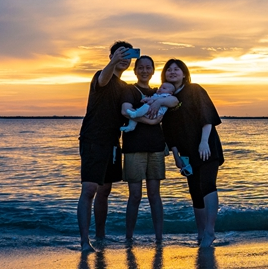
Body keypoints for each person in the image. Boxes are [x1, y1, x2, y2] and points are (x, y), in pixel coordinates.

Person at [160, 59, 225, 248]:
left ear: (184, 73)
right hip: (187, 153)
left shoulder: (195, 89)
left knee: (207, 185)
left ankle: (210, 231)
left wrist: (204, 142)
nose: (172, 72)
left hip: (206, 147)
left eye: (176, 69)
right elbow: (169, 131)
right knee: (195, 192)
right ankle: (201, 233)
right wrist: (176, 155)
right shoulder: (166, 97)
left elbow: (207, 117)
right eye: (169, 70)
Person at [77, 41, 133, 253]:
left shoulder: (125, 87)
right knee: (89, 189)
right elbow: (104, 78)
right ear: (111, 56)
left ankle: (100, 236)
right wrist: (114, 61)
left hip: (112, 142)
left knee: (105, 190)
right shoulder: (102, 76)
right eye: (120, 54)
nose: (124, 58)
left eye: (128, 55)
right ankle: (85, 241)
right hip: (93, 139)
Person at [119, 55, 177, 243]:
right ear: (135, 71)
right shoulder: (130, 90)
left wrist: (160, 103)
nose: (144, 71)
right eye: (141, 68)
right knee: (135, 196)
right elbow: (125, 110)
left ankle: (159, 239)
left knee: (154, 195)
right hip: (133, 147)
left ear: (153, 71)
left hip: (156, 147)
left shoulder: (158, 92)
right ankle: (129, 238)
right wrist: (150, 121)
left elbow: (175, 102)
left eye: (148, 68)